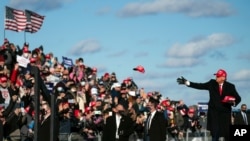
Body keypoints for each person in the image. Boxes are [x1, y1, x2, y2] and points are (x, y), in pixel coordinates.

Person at [177, 69, 241, 141]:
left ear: (223, 78)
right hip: (214, 114)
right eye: (216, 76)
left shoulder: (231, 86)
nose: (216, 77)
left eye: (218, 76)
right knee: (215, 133)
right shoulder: (212, 83)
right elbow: (200, 86)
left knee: (226, 134)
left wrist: (233, 102)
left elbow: (238, 98)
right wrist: (188, 83)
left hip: (224, 114)